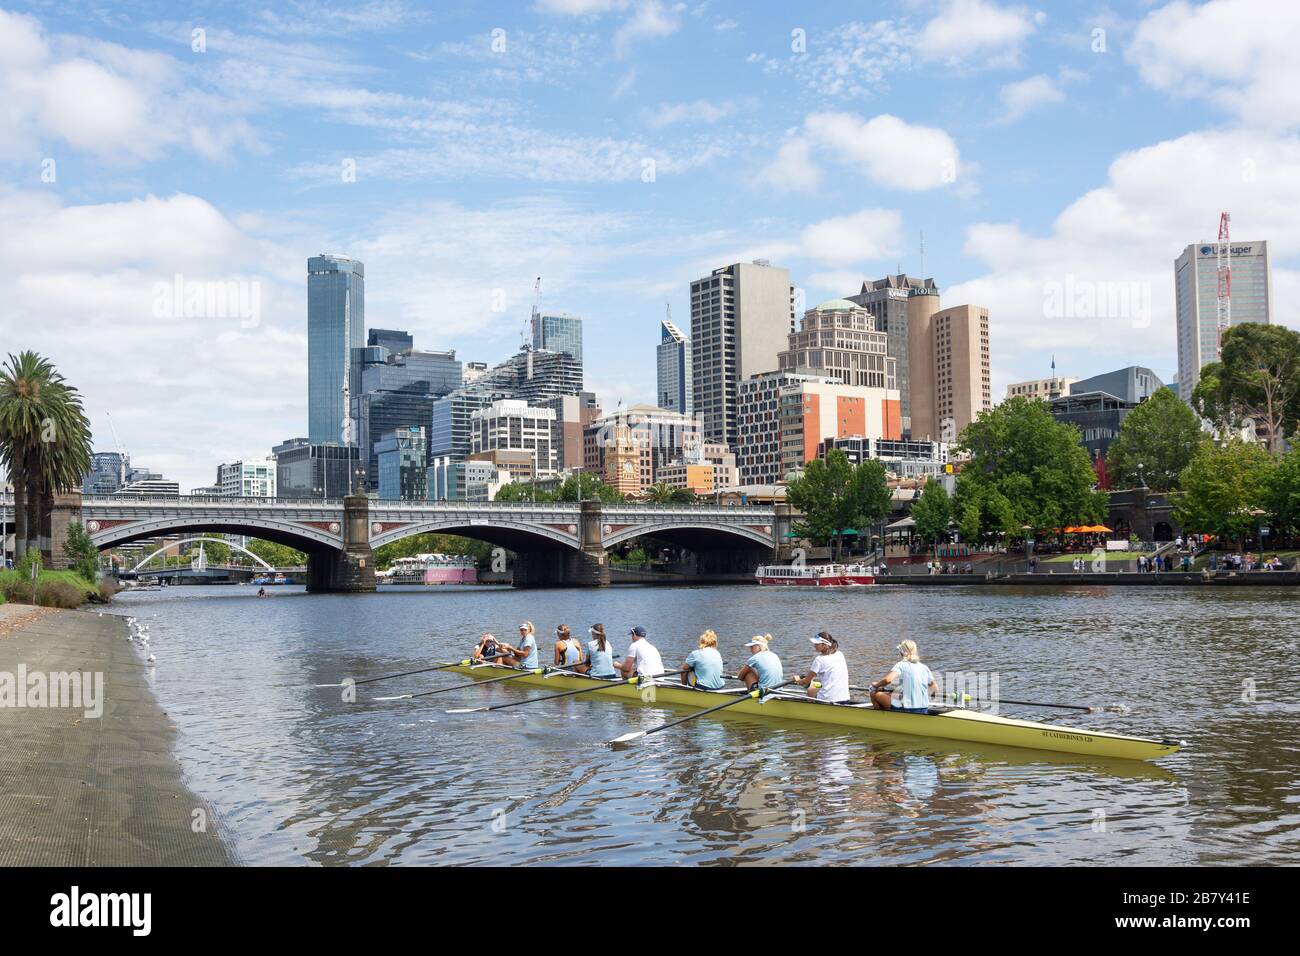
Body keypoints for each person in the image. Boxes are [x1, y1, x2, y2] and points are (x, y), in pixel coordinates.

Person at [869, 639, 937, 713]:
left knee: (874, 694)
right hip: (923, 708)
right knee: (891, 694)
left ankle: (882, 720)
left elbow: (887, 680)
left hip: (907, 709)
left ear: (902, 652)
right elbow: (935, 689)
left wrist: (876, 685)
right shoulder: (924, 667)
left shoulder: (901, 665)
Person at [790, 632, 850, 703]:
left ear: (825, 645)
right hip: (845, 698)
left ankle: (811, 708)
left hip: (827, 700)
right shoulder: (840, 654)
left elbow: (806, 681)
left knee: (810, 690)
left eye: (817, 644)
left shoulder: (819, 660)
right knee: (815, 684)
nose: (814, 646)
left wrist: (797, 680)